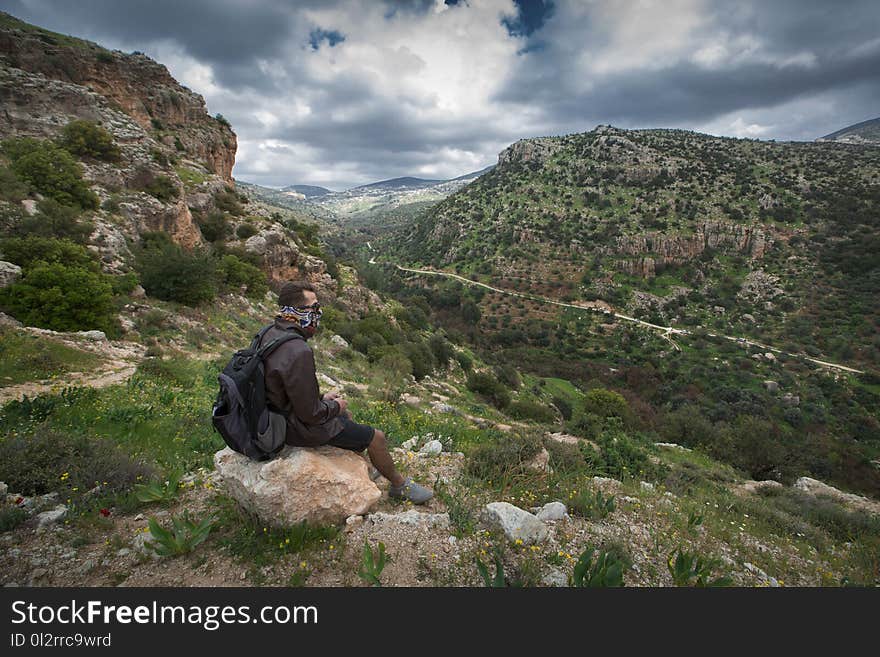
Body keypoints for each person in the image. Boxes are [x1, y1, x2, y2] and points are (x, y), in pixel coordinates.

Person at [258, 280, 433, 504]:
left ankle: (366, 466)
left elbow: (281, 388)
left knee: (343, 419)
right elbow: (311, 415)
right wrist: (335, 405)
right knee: (375, 436)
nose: (318, 314)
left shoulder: (270, 333)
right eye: (314, 308)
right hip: (290, 426)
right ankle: (399, 485)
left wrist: (322, 399)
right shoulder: (298, 350)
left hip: (273, 416)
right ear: (296, 311)